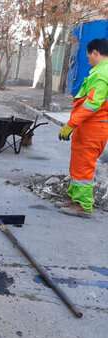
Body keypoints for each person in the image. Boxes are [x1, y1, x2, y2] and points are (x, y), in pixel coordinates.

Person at [58, 38, 108, 217]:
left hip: (93, 128)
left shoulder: (102, 74)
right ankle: (74, 200)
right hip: (89, 127)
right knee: (78, 165)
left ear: (95, 52)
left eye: (89, 54)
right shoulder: (100, 71)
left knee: (83, 167)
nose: (88, 58)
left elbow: (93, 104)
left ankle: (84, 206)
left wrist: (71, 124)